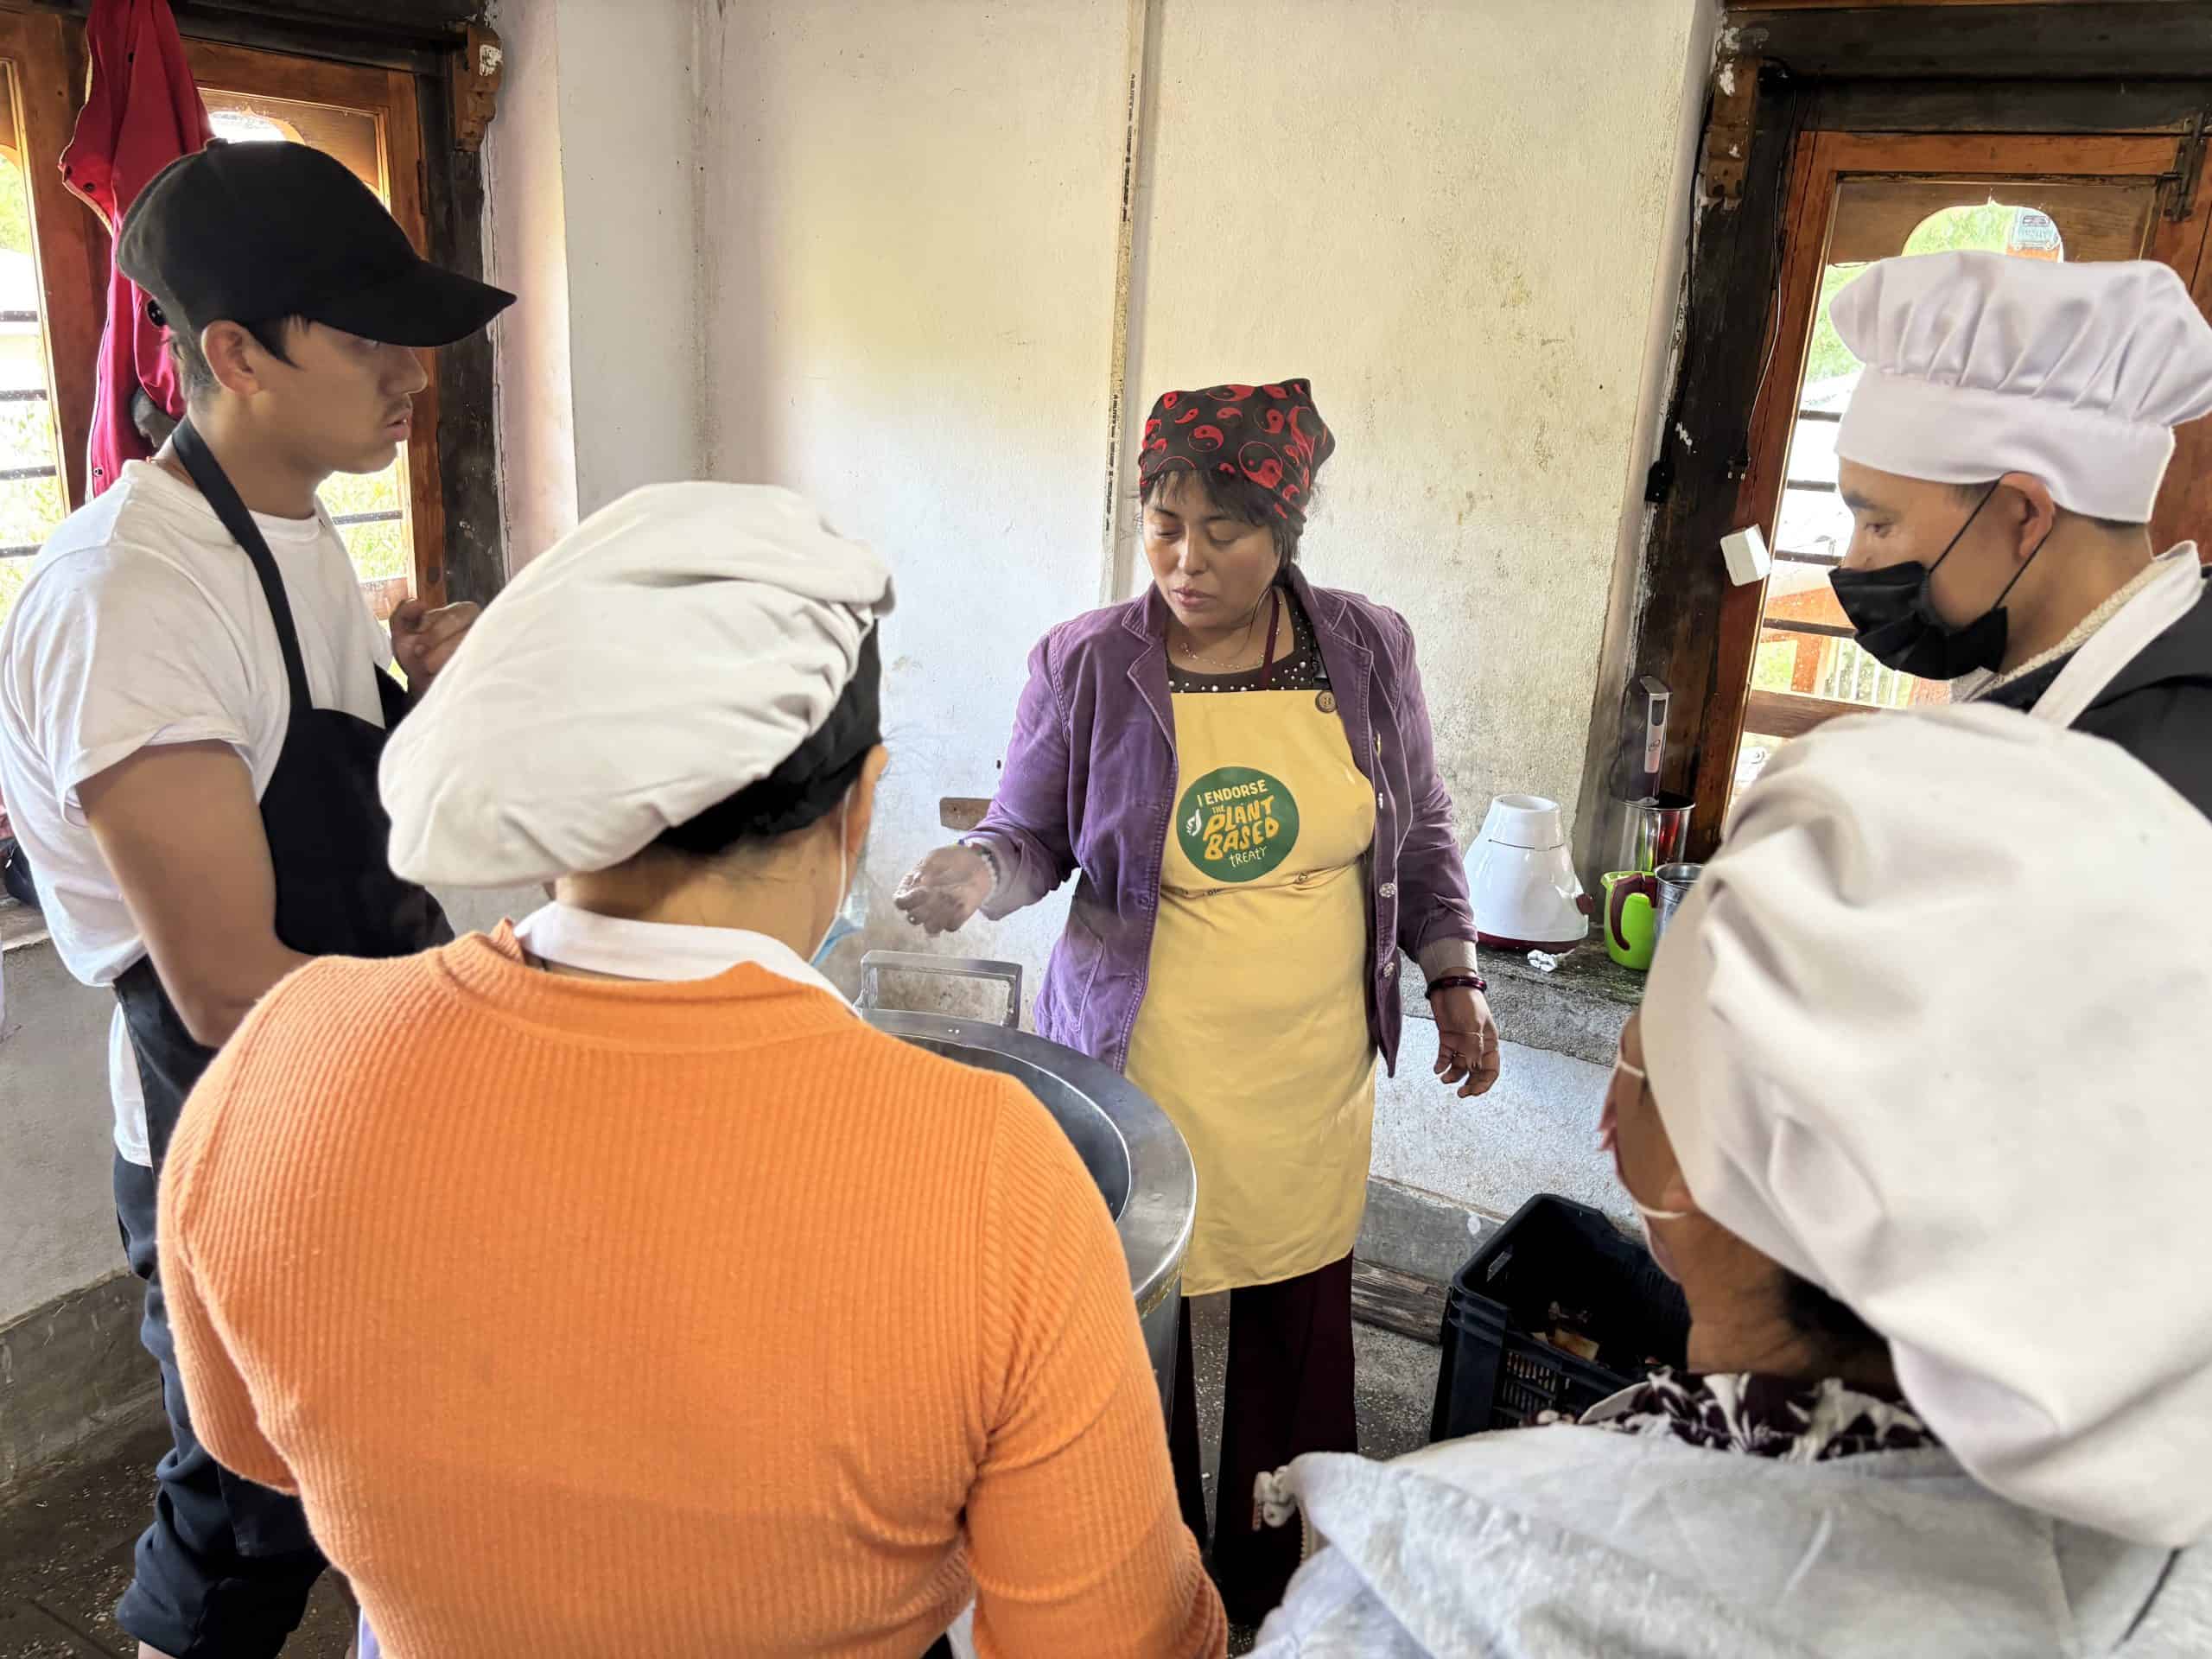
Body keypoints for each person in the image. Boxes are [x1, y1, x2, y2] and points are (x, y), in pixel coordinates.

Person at [156, 482, 1227, 1659]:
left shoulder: (284, 1054)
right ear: (859, 806)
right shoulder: (989, 1174)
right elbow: (1109, 1640)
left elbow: (255, 1445)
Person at [1246, 705, 2212, 1656]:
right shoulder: (2162, 1544)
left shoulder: (1422, 1599)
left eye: (1657, 1043)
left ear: (1707, 1159)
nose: (1627, 1057)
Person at [0, 141, 511, 1659]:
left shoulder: (298, 529)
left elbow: (331, 813)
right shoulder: (132, 596)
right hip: (231, 1110)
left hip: (348, 1080)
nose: (410, 373)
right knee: (248, 1499)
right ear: (234, 352)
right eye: (367, 337)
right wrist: (516, 1015)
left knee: (380, 1459)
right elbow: (225, 980)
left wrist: (425, 695)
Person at [895, 378, 1498, 1621]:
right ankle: (1140, 1593)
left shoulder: (1367, 648)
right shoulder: (1088, 664)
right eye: (1163, 524)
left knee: (1294, 1336)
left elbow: (1425, 825)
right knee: (1131, 1341)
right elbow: (1030, 835)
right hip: (1141, 1065)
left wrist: (1453, 975)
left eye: (1222, 529)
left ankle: (1287, 1597)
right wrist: (976, 876)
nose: (1186, 558)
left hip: (1307, 1070)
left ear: (1288, 528)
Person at [1827, 251, 2212, 814]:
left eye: (1880, 525)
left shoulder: (2149, 777)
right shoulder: (2079, 690)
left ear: (2024, 515)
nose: (1853, 562)